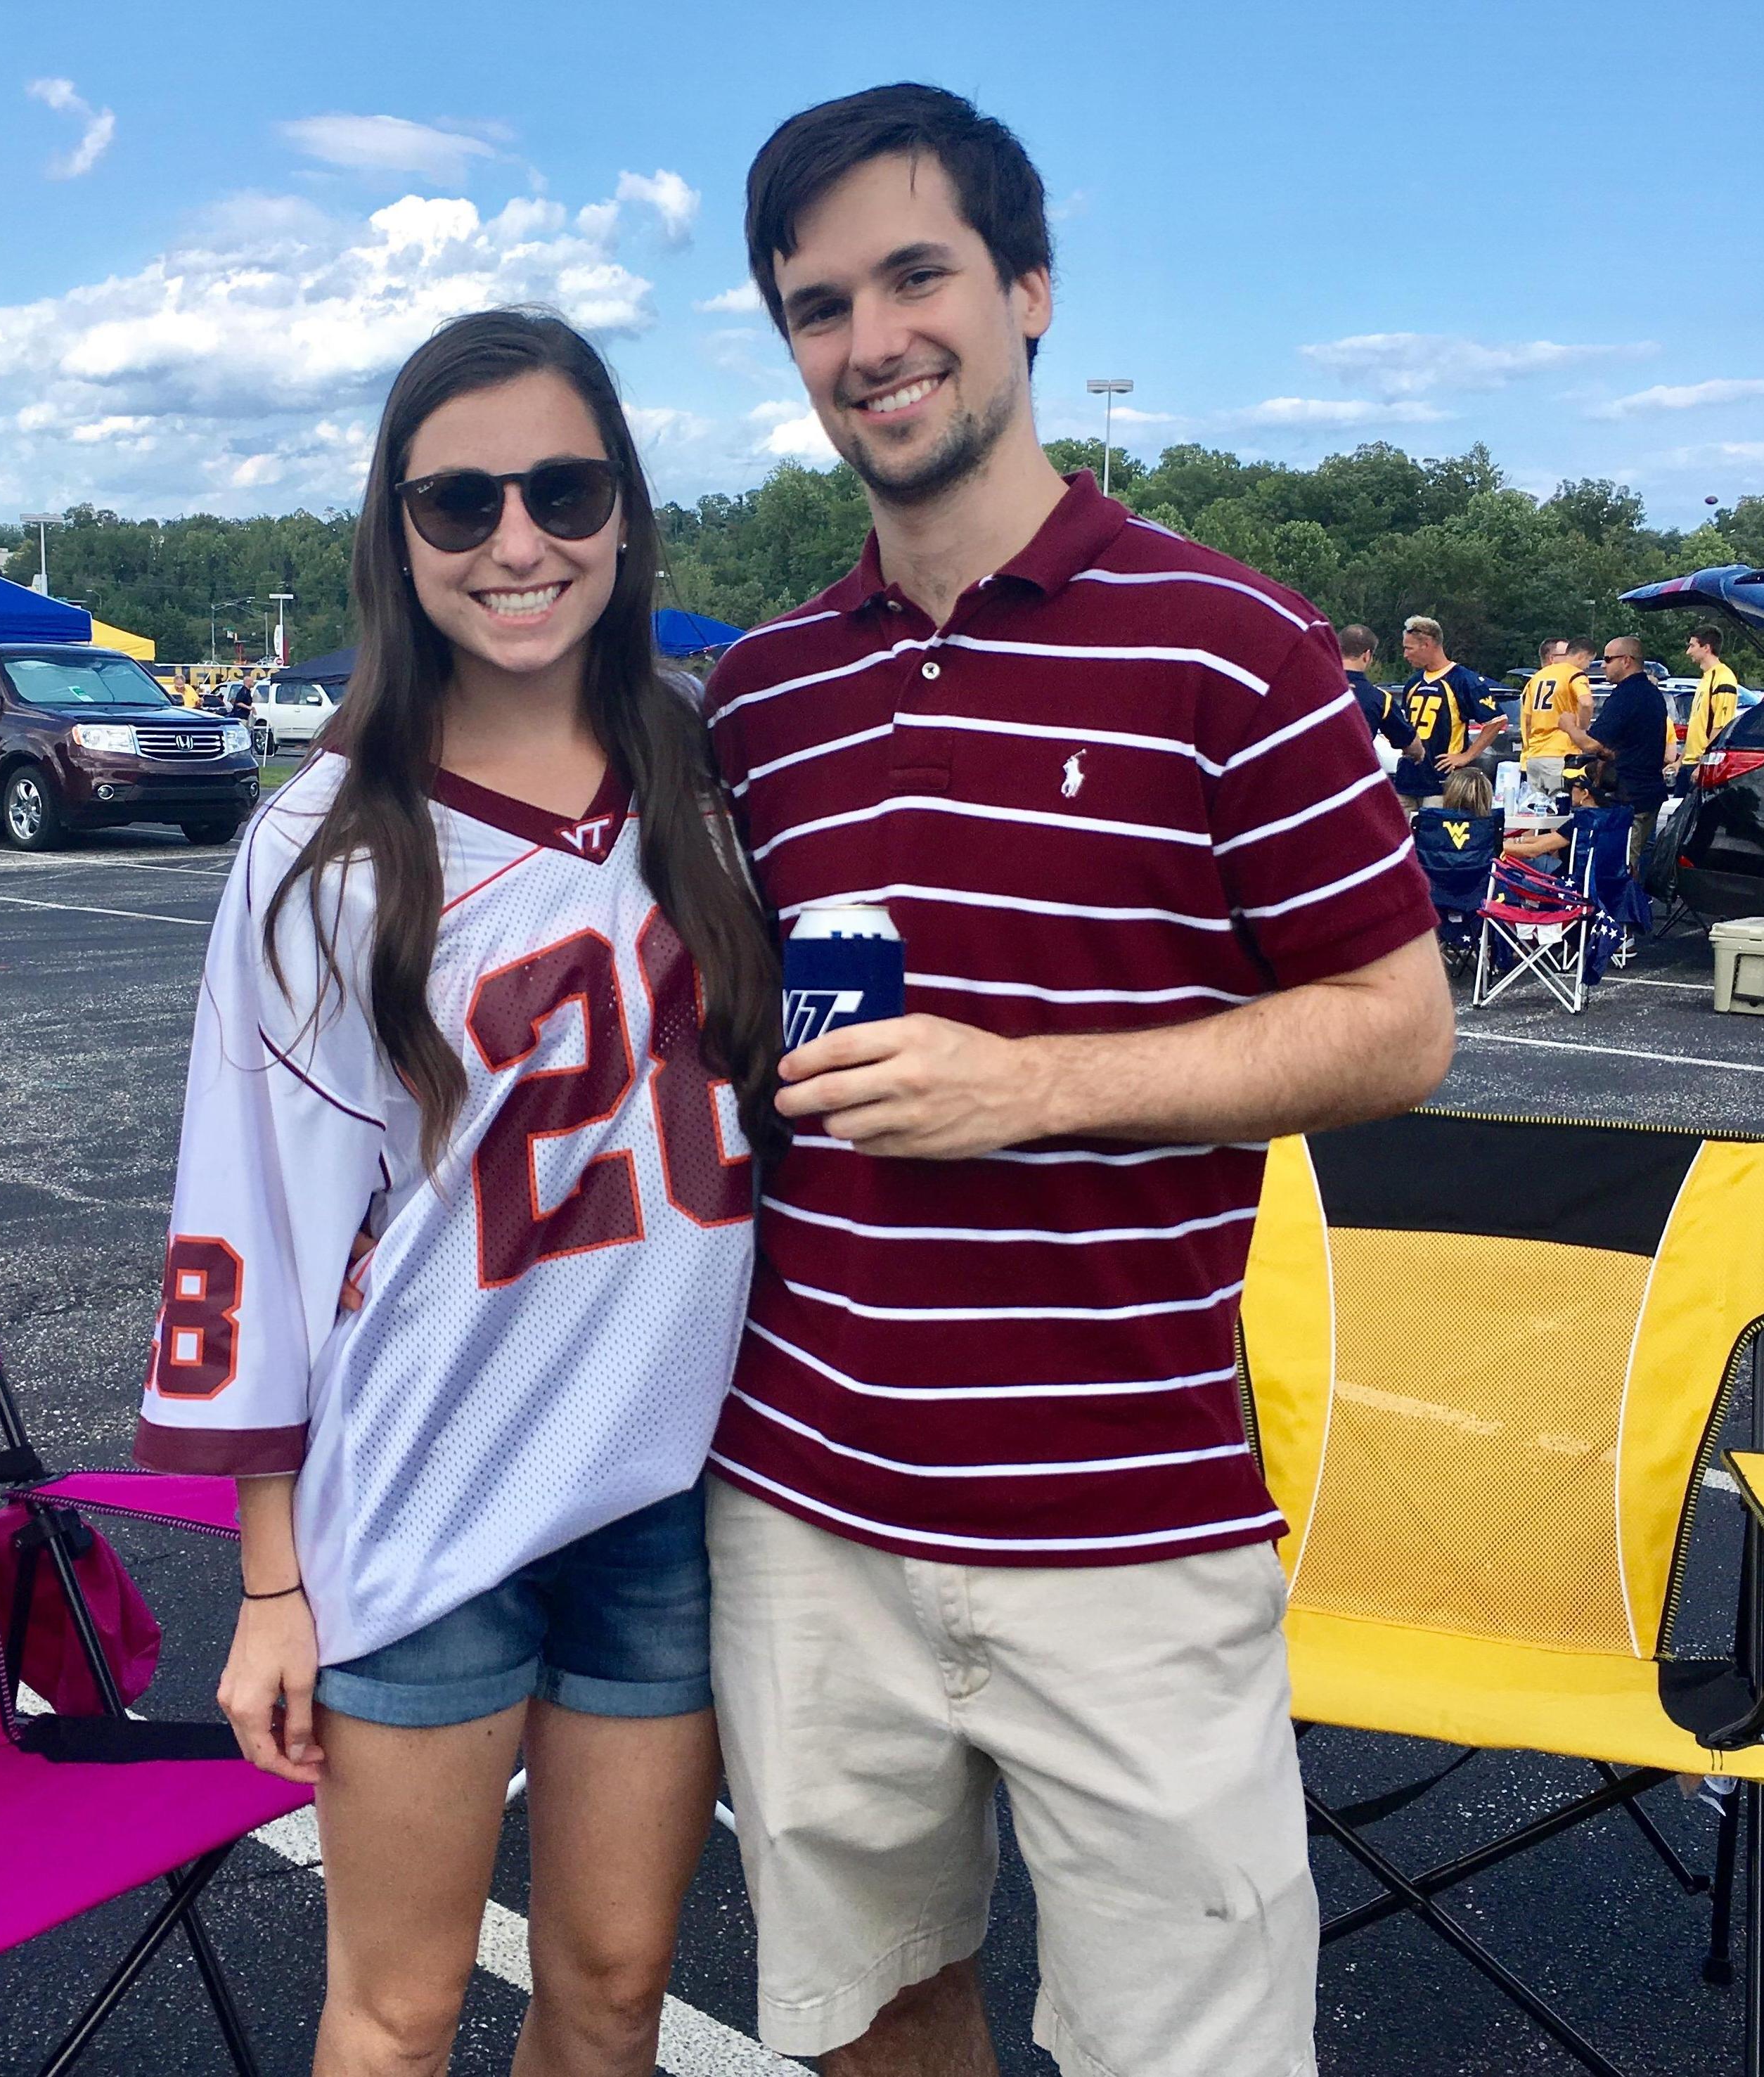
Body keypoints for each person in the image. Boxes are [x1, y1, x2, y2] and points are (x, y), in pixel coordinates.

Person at [704, 83, 1455, 2077]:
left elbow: (1395, 1022)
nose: (870, 340)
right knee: (873, 2023)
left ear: (1031, 290)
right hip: (801, 1501)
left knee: (1186, 2053)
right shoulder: (763, 693)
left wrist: (1028, 1085)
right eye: (814, 303)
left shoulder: (1231, 641)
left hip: (1125, 1515)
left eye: (916, 273)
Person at [133, 308, 783, 2077]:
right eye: (460, 503)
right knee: (400, 2010)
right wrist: (271, 1585)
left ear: (628, 512)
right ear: (395, 534)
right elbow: (248, 1223)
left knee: (611, 1997)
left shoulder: (719, 791)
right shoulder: (323, 845)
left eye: (564, 490)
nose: (519, 542)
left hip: (661, 1506)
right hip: (424, 1511)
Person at [1573, 636, 1670, 874]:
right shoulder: (1653, 694)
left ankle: (1623, 911)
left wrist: (1568, 726)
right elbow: (1633, 742)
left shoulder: (1626, 696)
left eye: (1608, 659)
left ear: (1626, 661)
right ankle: (1640, 906)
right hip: (1649, 792)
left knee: (1622, 868)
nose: (1603, 665)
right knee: (1639, 863)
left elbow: (1591, 744)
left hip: (1629, 796)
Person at [1395, 615, 1505, 812]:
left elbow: (1496, 720)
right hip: (1408, 779)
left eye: (1409, 648)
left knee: (1434, 839)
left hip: (1441, 781)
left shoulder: (1463, 680)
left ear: (1427, 645)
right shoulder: (1413, 683)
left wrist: (1466, 756)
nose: (1405, 655)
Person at [1518, 636, 1595, 797]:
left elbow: (1527, 720)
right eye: (1588, 661)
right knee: (1560, 813)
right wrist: (1581, 729)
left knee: (1536, 812)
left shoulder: (1537, 678)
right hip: (1561, 754)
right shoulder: (1574, 674)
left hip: (1535, 756)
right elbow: (1586, 703)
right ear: (1581, 656)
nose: (1587, 667)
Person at [1339, 624, 1415, 754]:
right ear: (1367, 655)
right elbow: (1409, 743)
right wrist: (1419, 754)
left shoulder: (1312, 688)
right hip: (1356, 772)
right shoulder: (1380, 699)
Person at [1682, 624, 1742, 779]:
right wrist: (1680, 761)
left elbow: (1721, 727)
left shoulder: (1723, 678)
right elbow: (1697, 726)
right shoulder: (1707, 677)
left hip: (1701, 765)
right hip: (1690, 763)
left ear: (1706, 647)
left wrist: (1703, 765)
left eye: (1692, 646)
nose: (1688, 652)